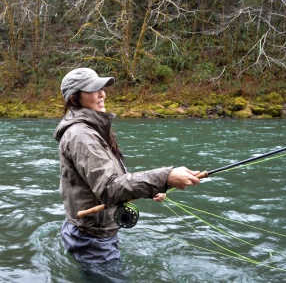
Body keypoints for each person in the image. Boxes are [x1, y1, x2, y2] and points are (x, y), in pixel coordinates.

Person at [53, 67, 201, 265]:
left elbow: (109, 181)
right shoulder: (82, 136)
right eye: (93, 89)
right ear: (74, 99)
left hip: (89, 234)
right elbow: (109, 188)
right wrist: (165, 177)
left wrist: (154, 188)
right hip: (92, 241)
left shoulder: (90, 129)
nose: (102, 93)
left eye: (102, 88)